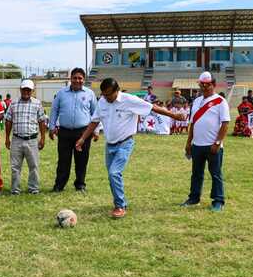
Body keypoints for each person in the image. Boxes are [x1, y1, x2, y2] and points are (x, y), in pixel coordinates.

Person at [75, 78, 185, 218]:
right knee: (112, 176)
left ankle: (120, 206)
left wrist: (174, 115)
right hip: (110, 145)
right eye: (104, 94)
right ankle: (119, 202)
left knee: (114, 173)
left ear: (117, 91)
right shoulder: (102, 102)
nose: (106, 97)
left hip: (125, 143)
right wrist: (83, 138)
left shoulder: (129, 100)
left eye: (109, 94)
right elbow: (94, 121)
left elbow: (152, 107)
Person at [181, 72, 230, 212]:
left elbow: (225, 124)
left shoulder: (221, 101)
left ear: (213, 85)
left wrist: (218, 142)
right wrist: (188, 142)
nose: (204, 87)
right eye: (201, 84)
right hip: (197, 145)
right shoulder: (196, 101)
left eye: (207, 84)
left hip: (213, 145)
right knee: (196, 173)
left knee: (215, 173)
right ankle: (194, 198)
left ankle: (218, 200)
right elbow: (193, 124)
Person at [49, 68, 98, 193]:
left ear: (84, 79)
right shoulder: (61, 93)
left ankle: (80, 184)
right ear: (70, 79)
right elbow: (54, 110)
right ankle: (59, 185)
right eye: (75, 78)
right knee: (63, 160)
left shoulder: (89, 94)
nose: (77, 80)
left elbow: (96, 114)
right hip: (64, 132)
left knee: (81, 160)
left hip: (83, 132)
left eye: (80, 78)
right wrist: (52, 127)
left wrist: (96, 130)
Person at [4, 79, 47, 195]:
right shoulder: (13, 103)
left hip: (32, 140)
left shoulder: (37, 103)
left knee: (34, 166)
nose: (26, 92)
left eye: (28, 90)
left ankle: (33, 188)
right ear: (20, 89)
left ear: (32, 91)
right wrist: (7, 138)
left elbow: (42, 121)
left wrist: (42, 138)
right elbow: (8, 120)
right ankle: (15, 190)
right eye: (24, 89)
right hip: (16, 139)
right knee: (15, 167)